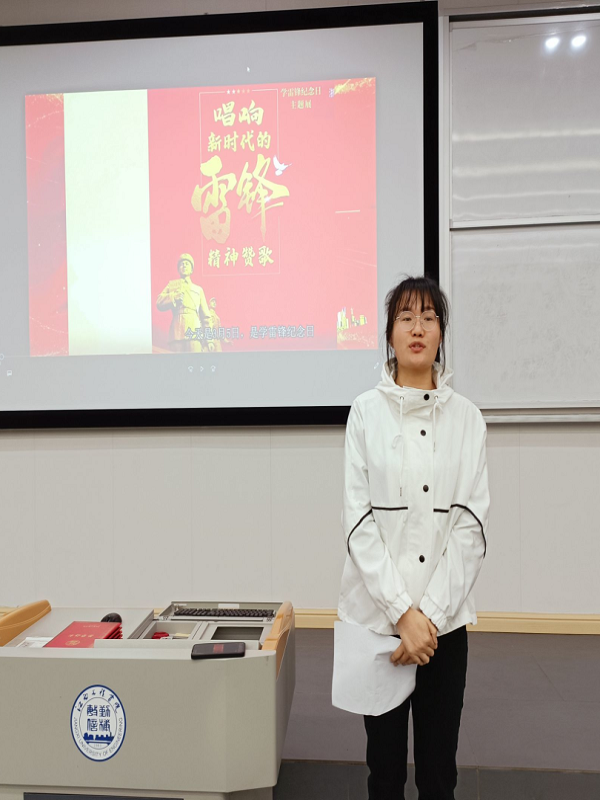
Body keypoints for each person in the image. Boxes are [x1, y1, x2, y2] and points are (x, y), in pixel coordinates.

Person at [337, 275, 490, 800]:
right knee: (383, 774)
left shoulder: (468, 419)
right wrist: (403, 615)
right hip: (378, 623)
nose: (418, 328)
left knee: (438, 776)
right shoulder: (365, 412)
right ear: (389, 334)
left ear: (441, 332)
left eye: (428, 317)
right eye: (406, 317)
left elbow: (470, 527)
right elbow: (358, 522)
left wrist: (429, 621)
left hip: (445, 630)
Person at [156, 253, 214, 352]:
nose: (184, 265)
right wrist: (173, 297)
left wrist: (209, 340)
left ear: (191, 269)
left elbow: (206, 317)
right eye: (182, 264)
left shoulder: (198, 290)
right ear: (179, 269)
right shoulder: (172, 285)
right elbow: (159, 302)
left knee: (195, 360)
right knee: (176, 361)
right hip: (176, 331)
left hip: (194, 331)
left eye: (187, 264)